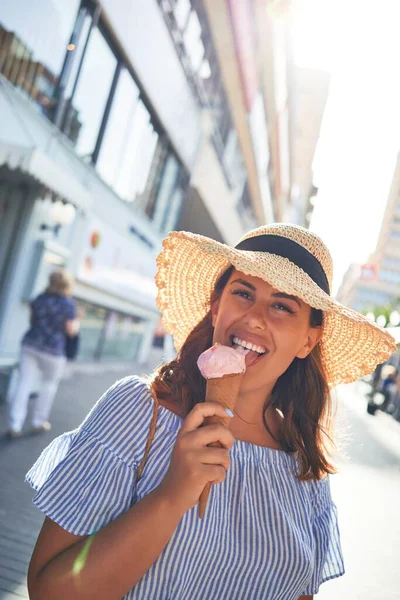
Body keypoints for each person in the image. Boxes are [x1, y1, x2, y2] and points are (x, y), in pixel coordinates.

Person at [25, 224, 395, 600]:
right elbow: (48, 591)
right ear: (217, 307)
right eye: (243, 293)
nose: (255, 317)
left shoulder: (305, 469)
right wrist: (172, 494)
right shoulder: (137, 412)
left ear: (307, 341)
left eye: (283, 305)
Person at [7, 269, 79, 438]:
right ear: (66, 285)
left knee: (24, 383)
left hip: (31, 344)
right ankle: (38, 422)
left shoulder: (39, 298)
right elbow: (70, 330)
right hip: (53, 350)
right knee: (48, 385)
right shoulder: (68, 304)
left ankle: (15, 425)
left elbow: (32, 321)